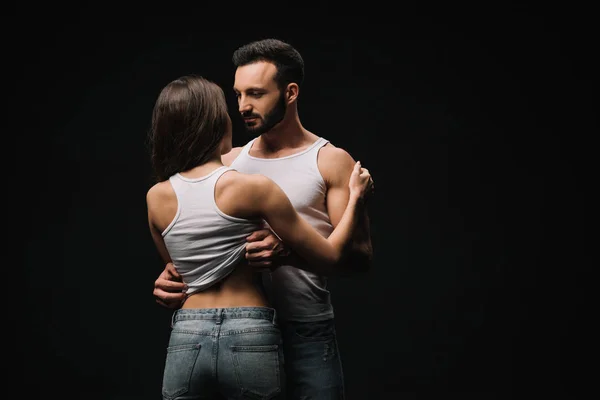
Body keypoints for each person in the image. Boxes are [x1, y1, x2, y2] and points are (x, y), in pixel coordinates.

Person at [153, 39, 374, 399]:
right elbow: (196, 245)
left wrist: (288, 254)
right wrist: (172, 275)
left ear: (290, 92)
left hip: (306, 329)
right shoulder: (228, 162)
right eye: (238, 94)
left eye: (255, 93)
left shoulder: (331, 161)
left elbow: (360, 260)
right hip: (238, 329)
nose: (242, 106)